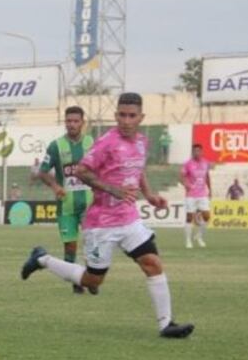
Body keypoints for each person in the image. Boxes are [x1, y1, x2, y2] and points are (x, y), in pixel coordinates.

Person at [21, 92, 194, 339]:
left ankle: (166, 324)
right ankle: (42, 259)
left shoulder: (142, 142)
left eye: (131, 116)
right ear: (115, 116)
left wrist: (150, 195)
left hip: (130, 219)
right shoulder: (106, 143)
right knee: (93, 281)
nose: (126, 120)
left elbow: (138, 170)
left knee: (153, 264)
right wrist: (113, 189)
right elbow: (82, 171)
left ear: (140, 117)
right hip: (102, 223)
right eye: (122, 115)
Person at [36, 105, 95, 294]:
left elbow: (103, 168)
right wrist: (55, 186)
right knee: (70, 246)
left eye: (76, 121)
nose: (72, 124)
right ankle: (76, 282)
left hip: (90, 205)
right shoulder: (56, 146)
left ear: (82, 123)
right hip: (66, 206)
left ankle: (92, 279)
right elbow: (42, 172)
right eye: (69, 121)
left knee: (92, 244)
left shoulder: (92, 143)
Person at [181, 143, 212, 249]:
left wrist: (210, 189)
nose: (196, 153)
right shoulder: (187, 164)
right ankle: (188, 241)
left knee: (207, 216)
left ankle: (199, 236)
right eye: (195, 151)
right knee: (189, 217)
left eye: (198, 151)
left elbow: (207, 176)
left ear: (201, 152)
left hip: (202, 194)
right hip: (191, 195)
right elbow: (182, 176)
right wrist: (185, 184)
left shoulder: (206, 163)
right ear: (192, 152)